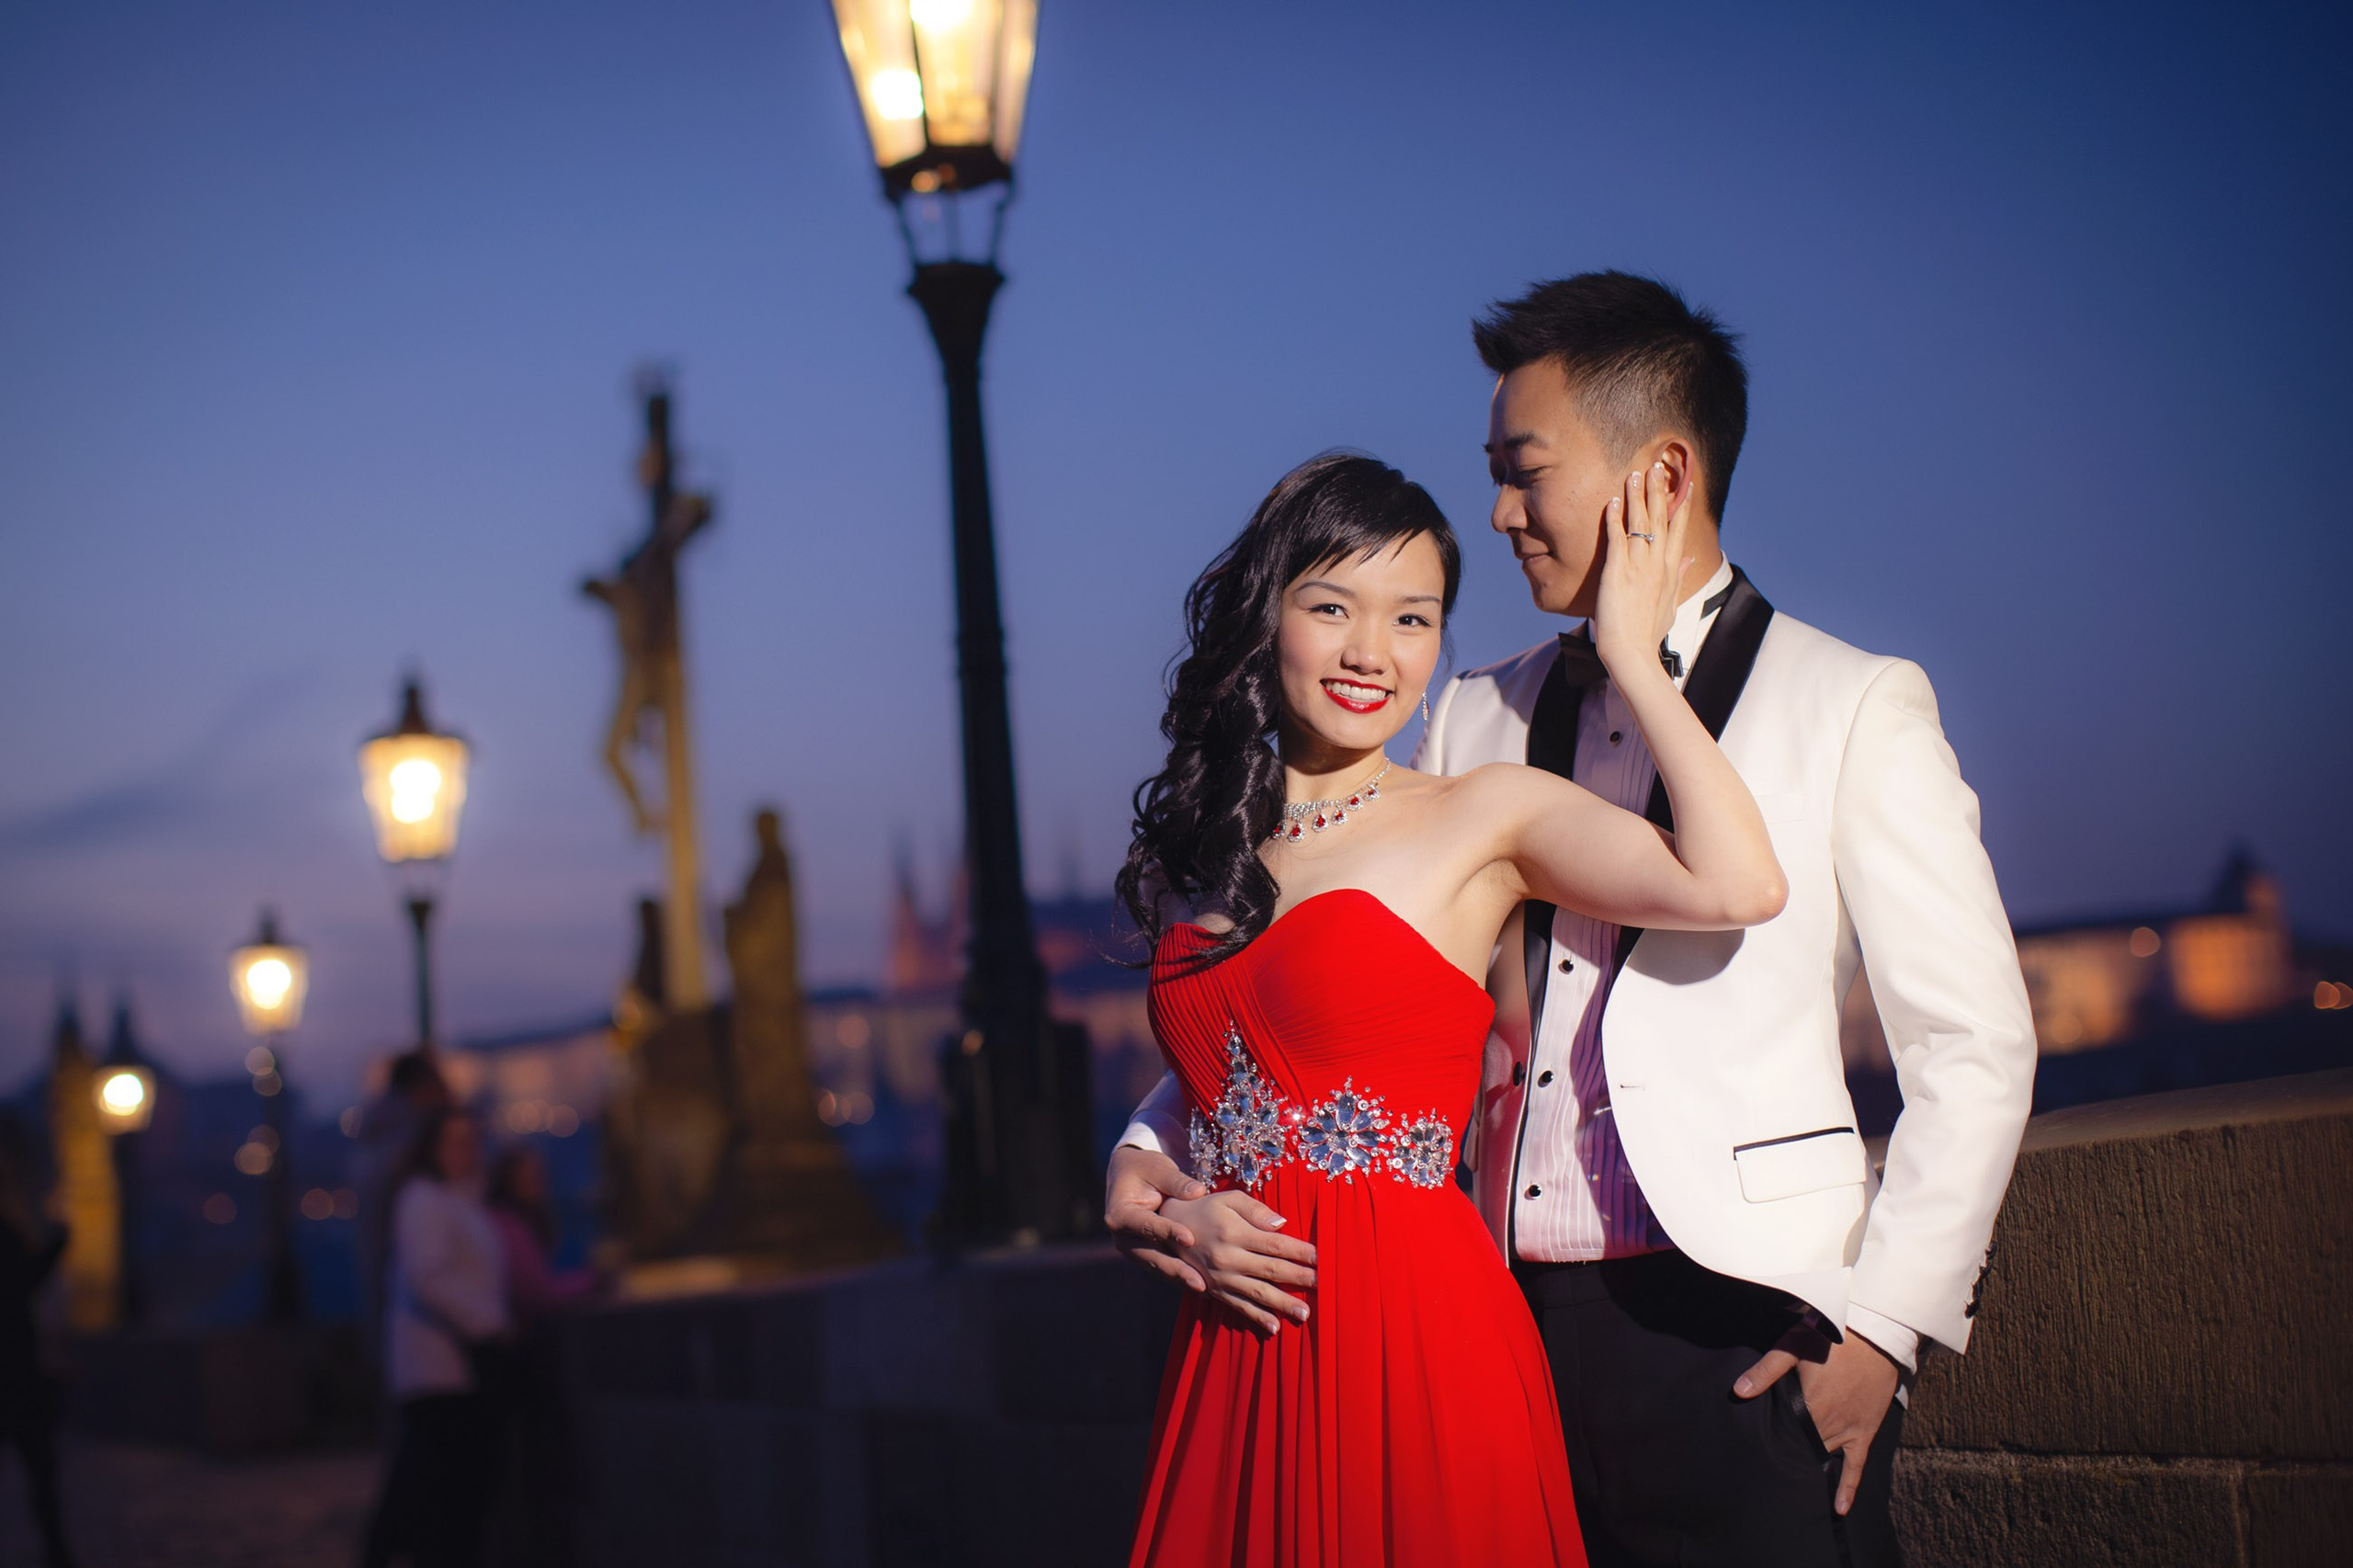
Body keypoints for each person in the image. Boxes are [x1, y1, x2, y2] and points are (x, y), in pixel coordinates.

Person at [1112, 274, 2038, 1567]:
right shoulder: (1477, 715)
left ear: (1657, 478)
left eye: (1523, 471)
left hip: (1743, 1327)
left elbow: (1975, 1049)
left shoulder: (1853, 703)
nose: (1497, 511)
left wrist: (1883, 1328)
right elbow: (1318, 1013)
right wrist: (1140, 1161)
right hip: (1503, 1312)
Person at [1112, 451, 1788, 1566]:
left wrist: (1631, 656)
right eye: (1332, 605)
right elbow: (1224, 1076)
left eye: (1413, 617)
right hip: (1236, 1334)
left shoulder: (1479, 812)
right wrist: (1145, 1191)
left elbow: (1736, 883)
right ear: (1265, 611)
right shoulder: (1200, 852)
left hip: (1409, 1323)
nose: (1373, 652)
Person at [361, 1108, 511, 1568]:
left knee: (433, 1490)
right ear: (431, 1147)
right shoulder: (425, 1199)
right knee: (441, 1495)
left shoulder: (458, 1200)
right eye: (452, 1141)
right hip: (441, 1370)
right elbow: (428, 1276)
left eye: (469, 1141)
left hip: (454, 1370)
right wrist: (487, 1323)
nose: (463, 1151)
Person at [0, 1134, 74, 1568]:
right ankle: (59, 1553)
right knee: (40, 1469)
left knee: (38, 1468)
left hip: (15, 1365)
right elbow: (20, 1283)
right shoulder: (5, 1231)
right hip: (14, 1367)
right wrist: (56, 1245)